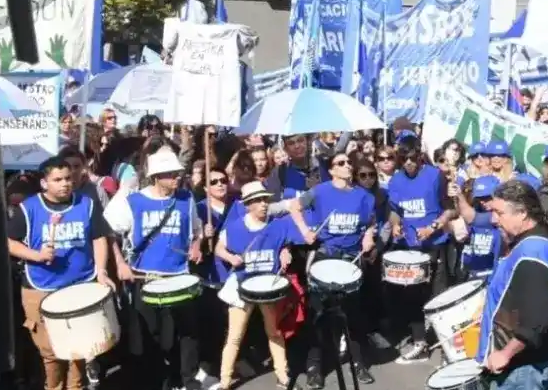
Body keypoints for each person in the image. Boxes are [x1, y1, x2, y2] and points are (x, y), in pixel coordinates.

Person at [6, 156, 115, 390]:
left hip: (79, 285)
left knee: (78, 349)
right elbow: (9, 242)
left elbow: (98, 238)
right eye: (58, 179)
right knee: (51, 352)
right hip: (41, 288)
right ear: (44, 183)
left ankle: (76, 387)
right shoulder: (29, 208)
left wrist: (102, 270)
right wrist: (36, 255)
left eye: (68, 178)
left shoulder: (86, 204)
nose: (65, 183)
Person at [105, 146, 205, 390]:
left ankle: (187, 379)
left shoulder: (186, 199)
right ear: (156, 177)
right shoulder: (133, 202)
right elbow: (108, 232)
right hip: (145, 278)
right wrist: (119, 263)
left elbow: (196, 228)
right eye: (170, 173)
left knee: (186, 334)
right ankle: (156, 380)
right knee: (151, 336)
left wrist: (197, 244)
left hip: (180, 275)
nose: (176, 177)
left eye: (177, 172)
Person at [288, 150, 378, 387]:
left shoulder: (364, 196)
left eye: (349, 162)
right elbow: (294, 207)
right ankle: (314, 367)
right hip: (325, 256)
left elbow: (370, 222)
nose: (348, 165)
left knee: (353, 314)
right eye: (342, 163)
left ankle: (358, 364)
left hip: (351, 259)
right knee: (318, 315)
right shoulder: (320, 191)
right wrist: (305, 231)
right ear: (332, 170)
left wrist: (369, 236)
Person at [478, 180, 548, 390]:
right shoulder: (536, 241)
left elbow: (536, 321)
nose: (494, 219)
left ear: (522, 213)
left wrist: (506, 353)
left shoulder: (532, 253)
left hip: (521, 370)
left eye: (499, 212)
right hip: (524, 367)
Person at [213, 182, 297, 390]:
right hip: (242, 286)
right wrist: (230, 257)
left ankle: (282, 374)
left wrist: (286, 251)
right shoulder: (234, 227)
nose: (263, 204)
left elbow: (285, 243)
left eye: (265, 200)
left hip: (268, 286)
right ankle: (224, 381)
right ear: (248, 204)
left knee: (274, 332)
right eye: (258, 201)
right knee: (235, 336)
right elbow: (218, 248)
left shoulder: (277, 225)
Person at [384, 141, 457, 363]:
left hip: (435, 243)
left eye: (413, 158)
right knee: (413, 296)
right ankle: (420, 344)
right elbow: (395, 211)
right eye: (404, 159)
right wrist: (395, 224)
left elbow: (450, 209)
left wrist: (433, 227)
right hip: (410, 248)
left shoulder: (435, 176)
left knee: (439, 296)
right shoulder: (396, 180)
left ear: (420, 158)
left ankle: (449, 349)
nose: (409, 163)